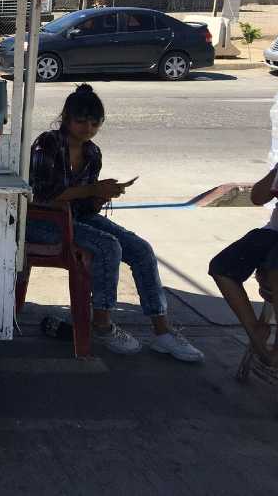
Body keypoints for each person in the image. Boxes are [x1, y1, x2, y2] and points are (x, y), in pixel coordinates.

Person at [27, 84, 203, 362]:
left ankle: (162, 331)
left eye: (95, 123)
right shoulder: (47, 143)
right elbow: (42, 195)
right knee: (108, 246)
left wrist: (102, 195)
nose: (88, 128)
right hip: (42, 221)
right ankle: (102, 323)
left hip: (78, 217)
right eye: (82, 121)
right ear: (66, 118)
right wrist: (92, 190)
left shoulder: (92, 153)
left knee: (141, 249)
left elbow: (84, 204)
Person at [208, 166, 278, 366]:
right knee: (221, 267)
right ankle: (254, 330)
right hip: (273, 233)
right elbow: (257, 197)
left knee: (274, 272)